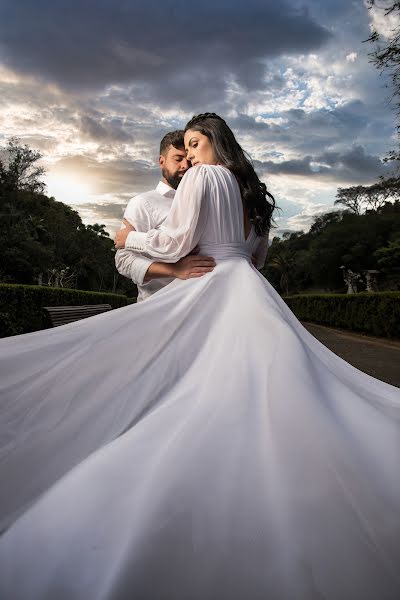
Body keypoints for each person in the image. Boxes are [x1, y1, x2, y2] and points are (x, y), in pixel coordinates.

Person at [0, 113, 399, 600]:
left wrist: (130, 239)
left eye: (194, 143)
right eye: (183, 148)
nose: (188, 155)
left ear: (213, 143)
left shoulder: (204, 177)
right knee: (273, 386)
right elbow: (257, 256)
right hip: (248, 288)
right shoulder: (247, 188)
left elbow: (175, 241)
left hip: (207, 287)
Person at [115, 130, 216, 301]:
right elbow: (123, 261)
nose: (185, 166)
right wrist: (174, 270)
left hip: (201, 304)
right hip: (157, 305)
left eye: (189, 159)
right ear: (161, 161)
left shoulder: (205, 202)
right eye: (178, 159)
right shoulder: (142, 203)